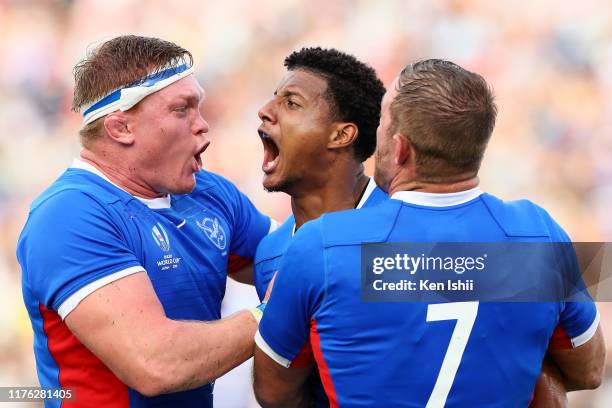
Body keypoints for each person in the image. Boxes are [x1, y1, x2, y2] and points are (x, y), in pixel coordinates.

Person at [253, 59, 606, 407]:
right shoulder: (540, 233)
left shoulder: (320, 244)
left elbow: (274, 393)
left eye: (383, 124)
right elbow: (588, 370)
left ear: (401, 148)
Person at [17, 35, 274, 407]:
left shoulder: (209, 192)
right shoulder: (68, 214)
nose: (203, 126)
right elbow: (156, 364)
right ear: (121, 128)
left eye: (198, 107)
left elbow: (298, 259)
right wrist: (279, 309)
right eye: (182, 109)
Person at [254, 47, 387, 406]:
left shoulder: (407, 229)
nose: (265, 110)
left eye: (292, 103)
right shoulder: (271, 256)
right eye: (273, 98)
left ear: (341, 135)